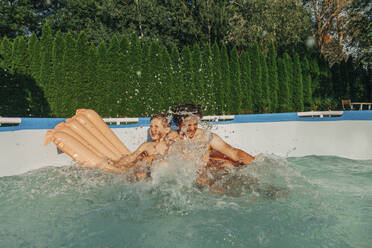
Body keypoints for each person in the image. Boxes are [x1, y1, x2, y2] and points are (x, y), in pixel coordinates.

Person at [167, 103, 256, 186]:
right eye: (188, 125)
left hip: (206, 180)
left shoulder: (207, 137)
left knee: (227, 167)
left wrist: (256, 163)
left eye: (195, 124)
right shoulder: (171, 139)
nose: (193, 128)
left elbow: (235, 153)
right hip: (184, 182)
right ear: (179, 124)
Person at [114, 113, 171, 179]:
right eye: (151, 126)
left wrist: (151, 158)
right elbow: (132, 157)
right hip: (145, 175)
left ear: (167, 129)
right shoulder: (147, 145)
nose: (152, 129)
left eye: (156, 127)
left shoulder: (169, 144)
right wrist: (116, 164)